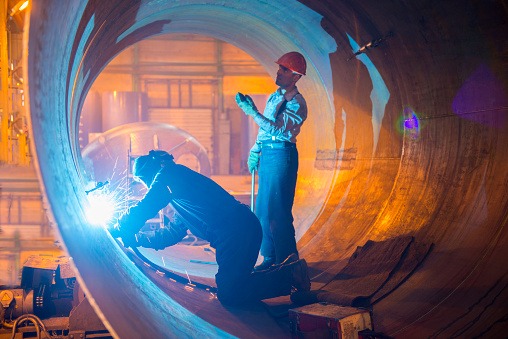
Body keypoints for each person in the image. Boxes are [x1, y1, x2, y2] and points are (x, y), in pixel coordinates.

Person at [110, 150, 310, 306]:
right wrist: (138, 239)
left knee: (230, 294)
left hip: (238, 232)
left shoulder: (170, 174)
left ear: (152, 171)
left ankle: (289, 276)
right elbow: (171, 234)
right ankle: (289, 268)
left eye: (144, 180)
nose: (146, 185)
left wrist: (120, 226)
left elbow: (147, 205)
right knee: (234, 284)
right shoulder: (178, 197)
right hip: (235, 234)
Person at [235, 51, 307, 271]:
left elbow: (277, 128)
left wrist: (252, 112)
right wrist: (256, 150)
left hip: (281, 156)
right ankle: (270, 258)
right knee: (263, 211)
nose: (279, 72)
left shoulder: (297, 104)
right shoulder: (274, 96)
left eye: (284, 70)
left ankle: (288, 261)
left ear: (295, 76)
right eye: (280, 68)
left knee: (278, 211)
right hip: (268, 154)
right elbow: (264, 129)